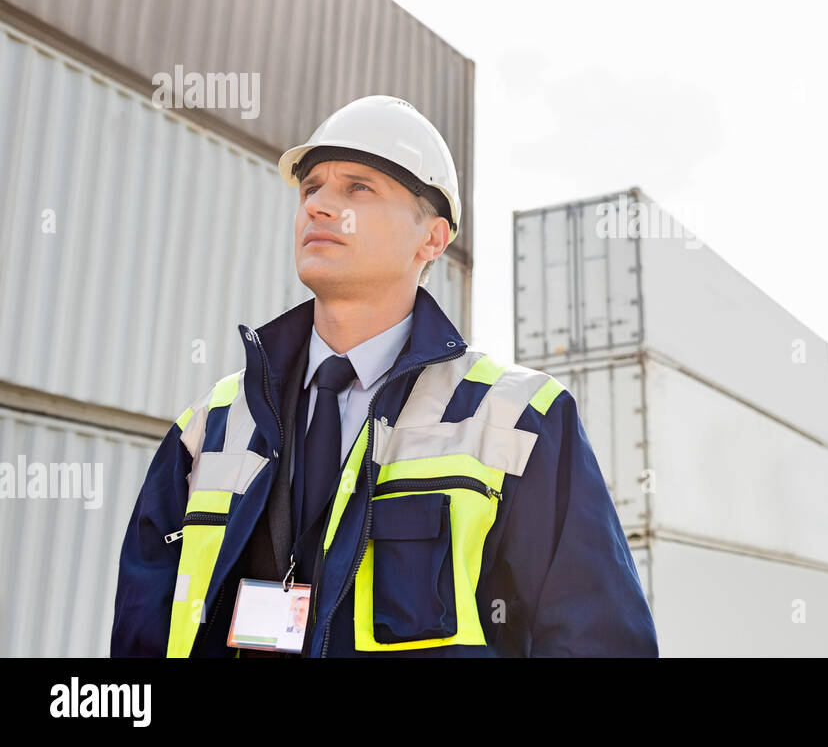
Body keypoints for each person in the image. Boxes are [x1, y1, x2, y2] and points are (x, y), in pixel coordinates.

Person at [110, 95, 658, 657]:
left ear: (433, 239)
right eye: (311, 188)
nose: (319, 206)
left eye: (358, 188)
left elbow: (599, 640)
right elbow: (141, 635)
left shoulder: (518, 419)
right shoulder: (211, 426)